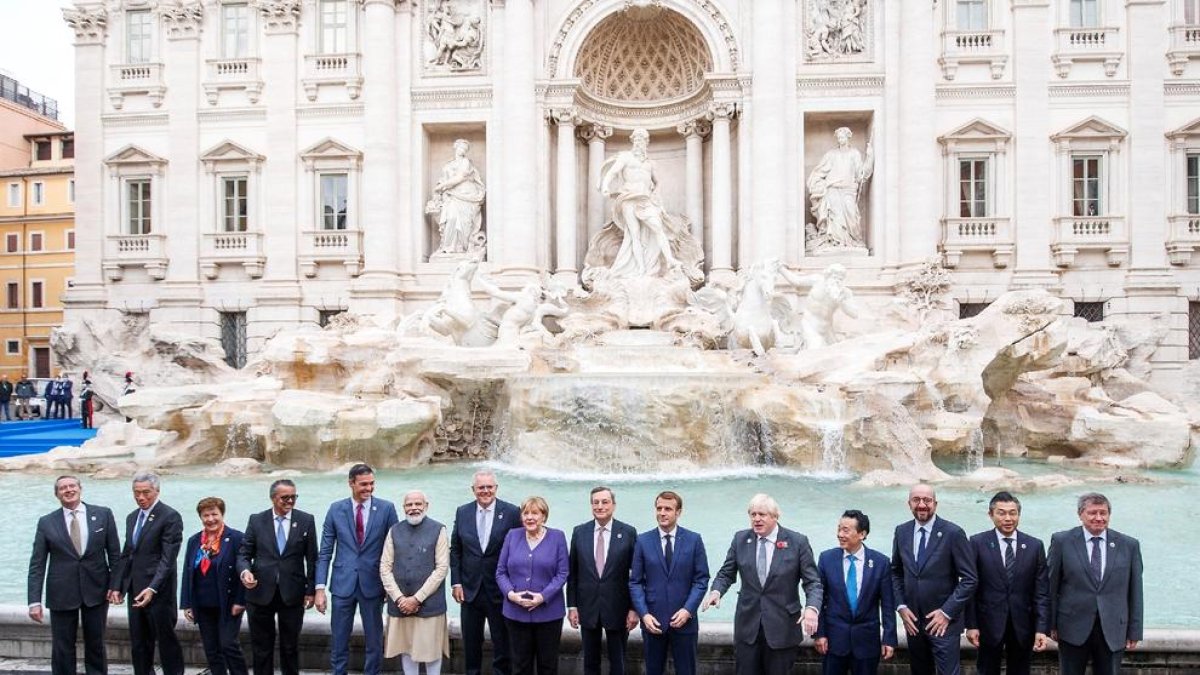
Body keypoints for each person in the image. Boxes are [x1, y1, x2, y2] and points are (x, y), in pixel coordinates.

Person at [703, 493, 823, 675]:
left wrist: (812, 608)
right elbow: (726, 573)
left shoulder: (798, 542)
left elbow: (813, 582)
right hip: (748, 628)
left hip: (782, 628)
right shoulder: (740, 539)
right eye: (753, 514)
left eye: (762, 514)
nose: (756, 519)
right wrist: (716, 591)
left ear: (775, 517)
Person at [27, 475, 120, 675]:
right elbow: (37, 563)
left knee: (96, 643)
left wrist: (116, 585)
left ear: (80, 488)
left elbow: (114, 554)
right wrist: (34, 600)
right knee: (62, 646)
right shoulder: (46, 522)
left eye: (72, 486)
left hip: (96, 591)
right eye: (63, 488)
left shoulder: (103, 514)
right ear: (57, 494)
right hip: (61, 592)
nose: (68, 490)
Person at [315, 463, 399, 675]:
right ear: (351, 483)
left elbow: (394, 550)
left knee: (374, 641)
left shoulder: (387, 509)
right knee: (339, 640)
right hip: (342, 584)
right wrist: (319, 588)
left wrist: (392, 587)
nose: (368, 489)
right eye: (363, 484)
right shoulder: (335, 509)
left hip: (374, 584)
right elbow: (325, 551)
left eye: (371, 484)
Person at [1047, 493, 1143, 675]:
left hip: (1114, 629)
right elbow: (1051, 586)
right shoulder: (1062, 541)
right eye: (1092, 513)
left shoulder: (1129, 545)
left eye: (1103, 513)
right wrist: (1050, 624)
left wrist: (1135, 630)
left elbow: (1136, 591)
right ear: (1080, 514)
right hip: (1071, 628)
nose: (1099, 518)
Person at [890, 483, 977, 675]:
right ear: (909, 504)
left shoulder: (953, 533)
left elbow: (970, 579)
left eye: (927, 500)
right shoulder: (901, 531)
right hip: (913, 622)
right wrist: (901, 607)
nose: (922, 505)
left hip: (943, 624)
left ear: (935, 504)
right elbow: (895, 572)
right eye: (916, 500)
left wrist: (946, 612)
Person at [237, 479, 318, 675]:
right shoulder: (256, 520)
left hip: (292, 594)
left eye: (293, 497)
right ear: (273, 498)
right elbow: (244, 553)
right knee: (261, 648)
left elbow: (312, 559)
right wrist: (245, 571)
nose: (290, 501)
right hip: (260, 593)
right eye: (285, 497)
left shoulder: (306, 520)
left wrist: (311, 591)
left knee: (290, 647)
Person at [965, 492, 1049, 675]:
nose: (1008, 518)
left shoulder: (1034, 546)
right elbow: (970, 587)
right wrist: (971, 624)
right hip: (988, 624)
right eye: (1001, 513)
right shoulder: (977, 543)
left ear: (1019, 515)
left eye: (1013, 513)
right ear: (991, 515)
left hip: (1023, 625)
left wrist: (1042, 628)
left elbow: (1041, 591)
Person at [109, 471, 186, 675]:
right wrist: (117, 586)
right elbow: (128, 553)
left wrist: (152, 587)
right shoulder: (132, 517)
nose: (141, 497)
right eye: (136, 493)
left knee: (166, 640)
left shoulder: (170, 516)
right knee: (139, 642)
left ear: (157, 491)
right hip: (135, 589)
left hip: (159, 591)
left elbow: (168, 559)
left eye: (146, 493)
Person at [629, 490, 710, 675]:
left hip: (685, 623)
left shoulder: (694, 540)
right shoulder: (643, 540)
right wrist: (644, 614)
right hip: (653, 623)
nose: (662, 513)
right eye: (659, 508)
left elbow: (701, 579)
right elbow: (635, 582)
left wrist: (688, 610)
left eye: (668, 509)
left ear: (678, 512)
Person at [449, 469, 522, 675]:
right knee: (471, 643)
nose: (486, 491)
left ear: (496, 488)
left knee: (502, 642)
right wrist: (456, 582)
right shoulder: (462, 512)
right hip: (470, 590)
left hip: (500, 590)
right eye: (481, 487)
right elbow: (456, 550)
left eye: (490, 487)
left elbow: (518, 550)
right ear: (473, 490)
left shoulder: (511, 512)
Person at [596, 128, 693, 281]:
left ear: (646, 143)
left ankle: (669, 260)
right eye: (637, 139)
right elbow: (613, 172)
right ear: (633, 141)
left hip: (646, 200)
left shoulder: (650, 164)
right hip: (628, 198)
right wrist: (606, 185)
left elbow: (658, 182)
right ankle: (641, 268)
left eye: (642, 140)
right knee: (634, 235)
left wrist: (656, 196)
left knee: (658, 228)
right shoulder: (625, 157)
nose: (639, 142)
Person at [814, 510, 897, 675]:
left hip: (867, 642)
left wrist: (889, 638)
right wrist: (820, 634)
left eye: (846, 530)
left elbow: (887, 605)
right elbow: (819, 598)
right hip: (834, 641)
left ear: (862, 534)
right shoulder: (826, 559)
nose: (840, 534)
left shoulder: (881, 562)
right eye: (839, 529)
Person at [567, 486, 639, 675]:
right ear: (591, 505)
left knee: (618, 662)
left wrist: (634, 609)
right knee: (590, 662)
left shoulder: (629, 532)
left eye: (605, 502)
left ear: (613, 505)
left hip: (618, 608)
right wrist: (572, 606)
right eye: (596, 502)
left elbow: (636, 575)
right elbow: (572, 572)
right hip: (587, 607)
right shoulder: (579, 532)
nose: (600, 506)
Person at [496, 496, 570, 675]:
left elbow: (563, 573)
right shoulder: (512, 535)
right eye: (525, 513)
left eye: (535, 513)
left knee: (548, 666)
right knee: (520, 666)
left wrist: (542, 597)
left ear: (543, 516)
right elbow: (500, 572)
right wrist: (511, 595)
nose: (529, 517)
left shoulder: (557, 537)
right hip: (515, 613)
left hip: (549, 614)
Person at [381, 491, 451, 675]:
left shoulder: (439, 529)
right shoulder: (394, 530)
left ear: (426, 506)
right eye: (409, 505)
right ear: (403, 508)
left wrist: (417, 599)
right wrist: (399, 598)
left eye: (418, 504)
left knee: (432, 651)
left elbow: (442, 568)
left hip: (430, 605)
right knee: (406, 649)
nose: (414, 508)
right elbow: (385, 567)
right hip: (400, 605)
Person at [181, 497, 249, 675]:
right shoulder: (194, 541)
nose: (210, 519)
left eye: (214, 514)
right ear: (200, 517)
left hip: (228, 603)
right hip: (202, 604)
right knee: (211, 650)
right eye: (206, 515)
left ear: (222, 514)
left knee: (228, 645)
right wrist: (187, 603)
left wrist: (241, 601)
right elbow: (187, 573)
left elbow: (245, 569)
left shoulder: (236, 538)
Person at [807, 126, 874, 250]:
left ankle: (853, 240)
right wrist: (818, 184)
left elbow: (861, 175)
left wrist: (870, 158)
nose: (840, 139)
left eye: (842, 137)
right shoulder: (831, 155)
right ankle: (836, 242)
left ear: (848, 137)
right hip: (833, 190)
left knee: (851, 214)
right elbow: (819, 172)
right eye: (838, 137)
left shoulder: (854, 154)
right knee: (835, 217)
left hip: (849, 190)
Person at [428, 139, 486, 255]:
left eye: (465, 149)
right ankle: (448, 247)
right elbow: (443, 179)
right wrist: (440, 187)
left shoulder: (466, 162)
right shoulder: (449, 164)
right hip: (451, 196)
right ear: (456, 147)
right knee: (452, 218)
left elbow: (460, 177)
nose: (463, 150)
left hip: (466, 194)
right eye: (461, 148)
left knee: (465, 222)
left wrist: (442, 186)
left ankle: (461, 247)